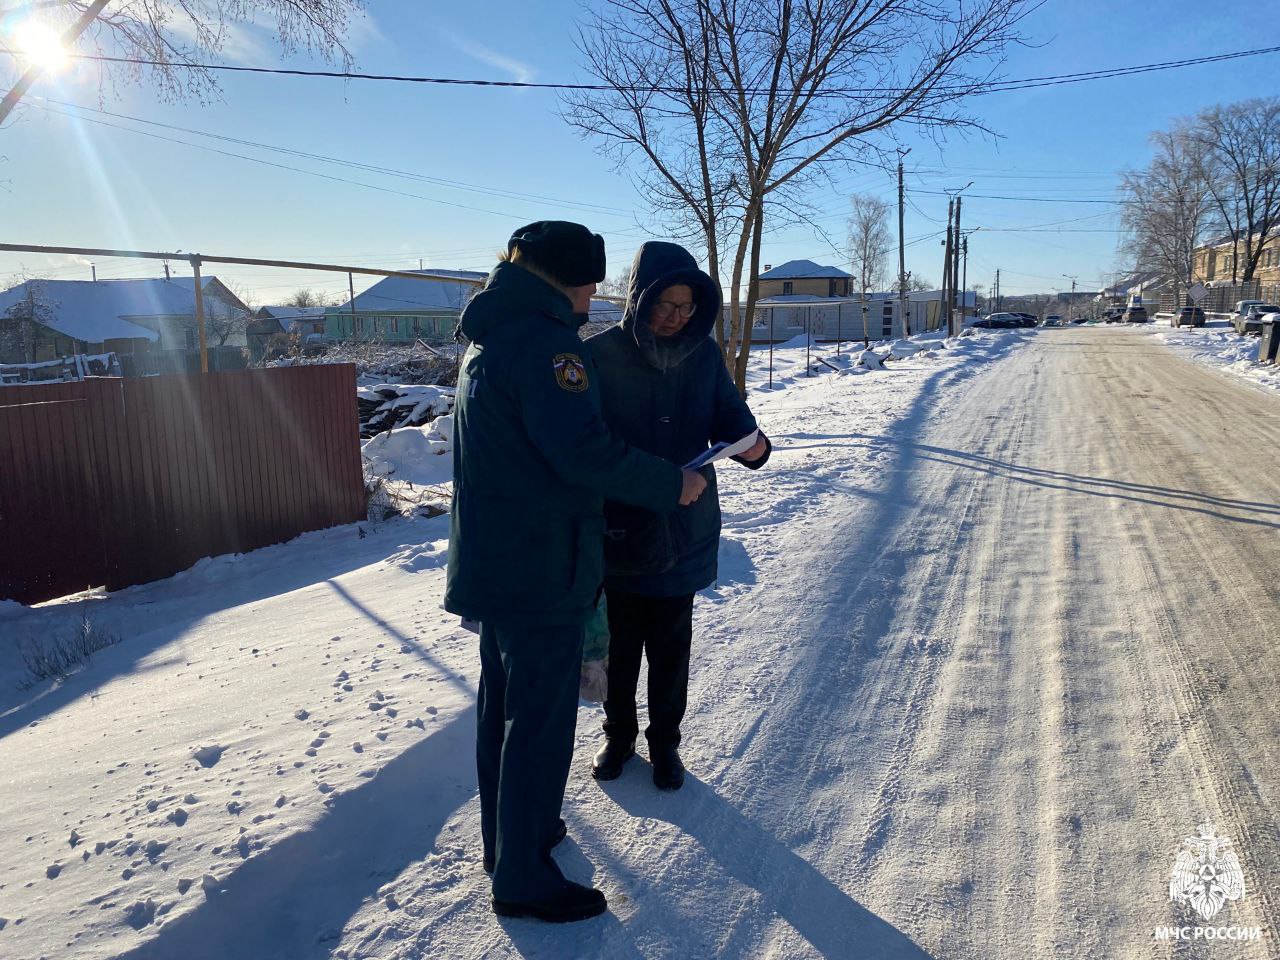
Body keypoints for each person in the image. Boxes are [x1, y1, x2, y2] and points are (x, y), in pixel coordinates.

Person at [444, 222, 708, 924]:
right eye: (591, 280)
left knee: (503, 709)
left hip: (497, 559)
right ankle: (525, 878)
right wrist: (668, 483)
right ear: (569, 277)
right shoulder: (549, 344)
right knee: (539, 721)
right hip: (542, 563)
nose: (596, 294)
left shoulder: (489, 336)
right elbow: (583, 451)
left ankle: (514, 840)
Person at [588, 241, 771, 791]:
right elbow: (589, 448)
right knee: (620, 648)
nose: (674, 317)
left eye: (686, 307)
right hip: (620, 529)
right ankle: (617, 734)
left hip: (685, 526)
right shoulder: (599, 358)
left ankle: (665, 744)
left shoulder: (703, 354)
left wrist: (752, 445)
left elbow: (731, 418)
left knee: (671, 648)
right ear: (639, 300)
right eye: (664, 304)